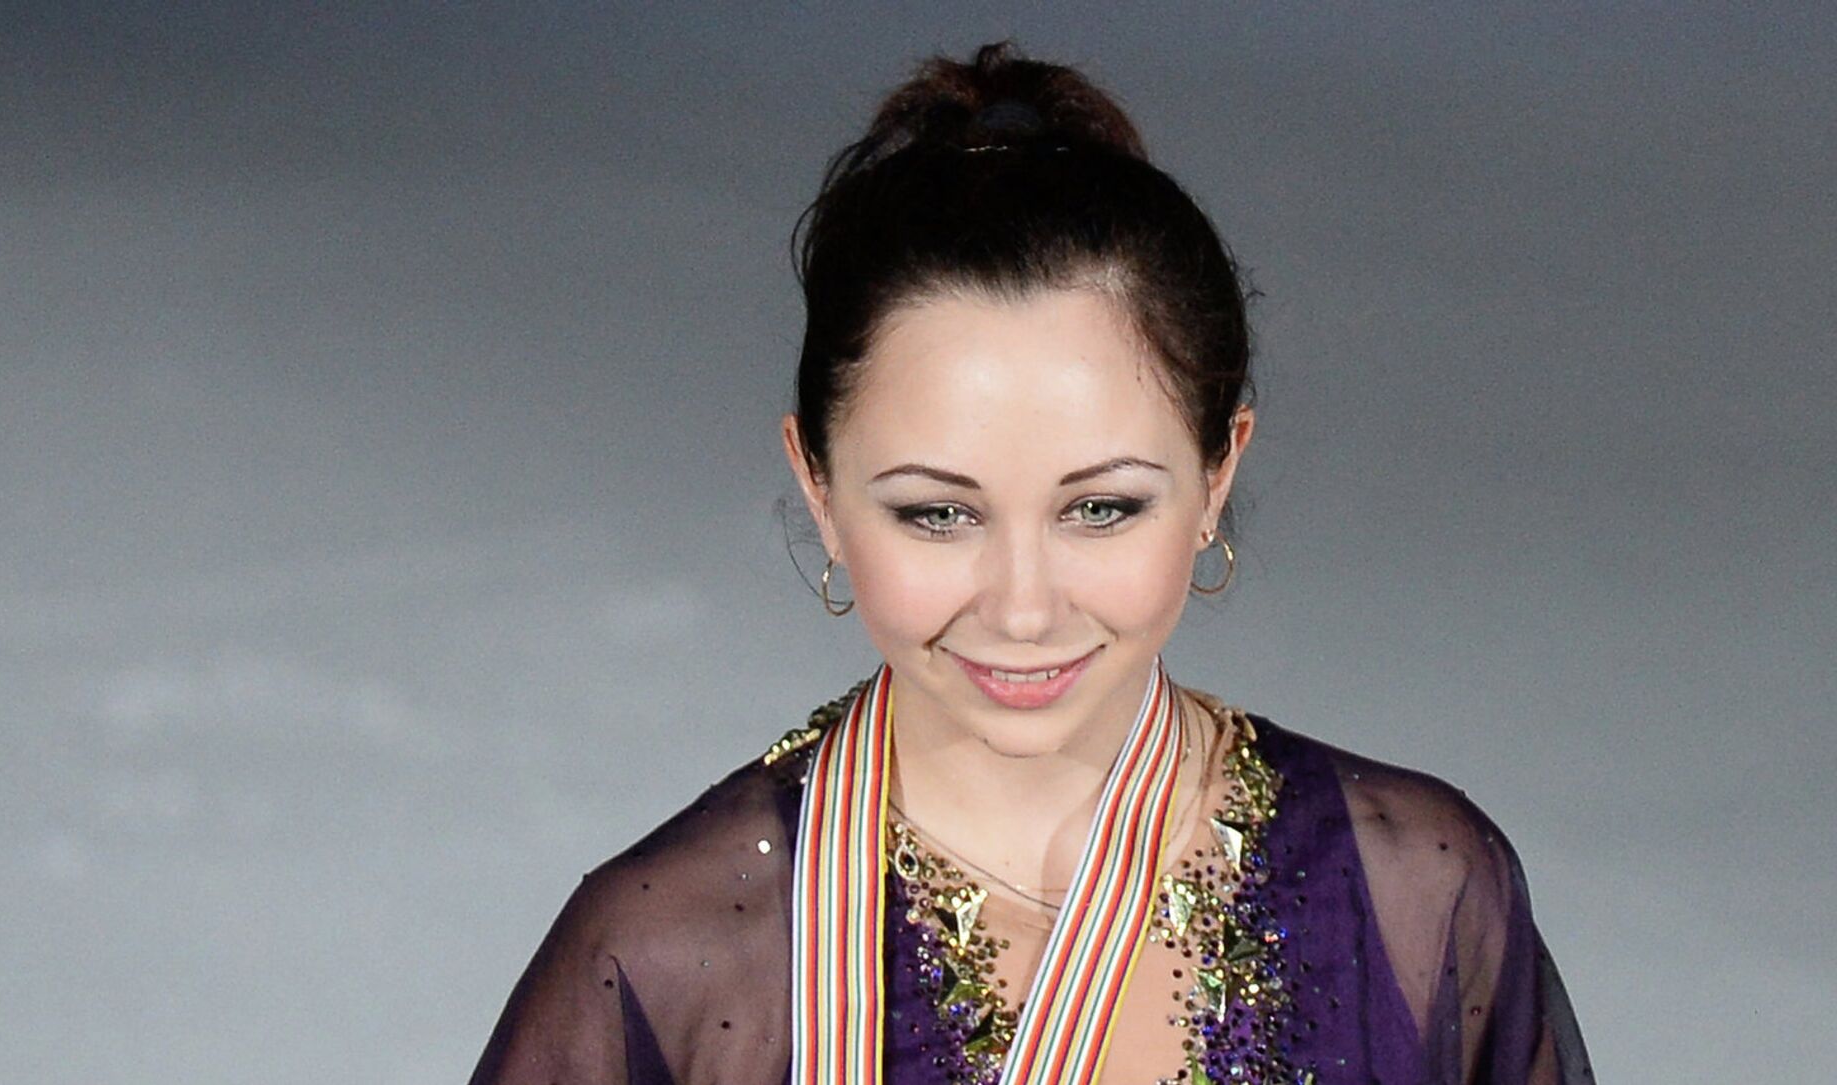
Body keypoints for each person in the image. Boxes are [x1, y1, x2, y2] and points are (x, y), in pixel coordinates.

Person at [469, 43, 1594, 1085]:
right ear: (818, 486)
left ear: (1217, 472)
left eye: (1100, 507)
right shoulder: (668, 955)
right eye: (937, 514)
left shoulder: (1415, 892)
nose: (1021, 608)